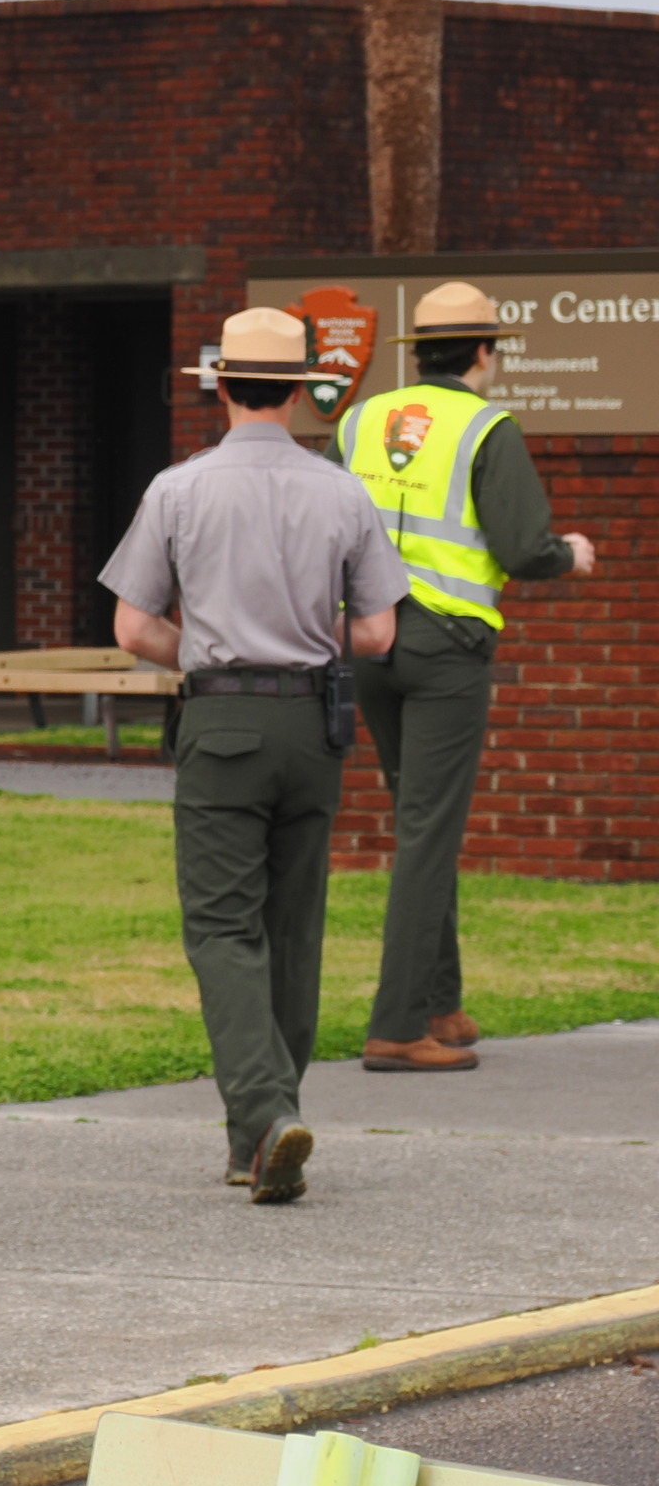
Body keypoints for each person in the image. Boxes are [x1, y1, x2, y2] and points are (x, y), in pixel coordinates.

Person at [100, 307, 408, 1203]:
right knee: (292, 929)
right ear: (301, 390)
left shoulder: (178, 490)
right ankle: (259, 1139)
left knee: (223, 929)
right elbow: (381, 631)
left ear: (224, 386)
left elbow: (131, 625)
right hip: (314, 725)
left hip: (224, 722)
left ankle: (268, 1114)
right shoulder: (343, 491)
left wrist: (197, 649)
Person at [338, 282, 598, 1073]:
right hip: (445, 648)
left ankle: (440, 1005)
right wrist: (570, 555)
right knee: (428, 829)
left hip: (368, 639)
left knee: (420, 821)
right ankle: (396, 1026)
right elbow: (522, 548)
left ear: (416, 353)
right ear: (485, 351)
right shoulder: (489, 426)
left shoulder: (358, 420)